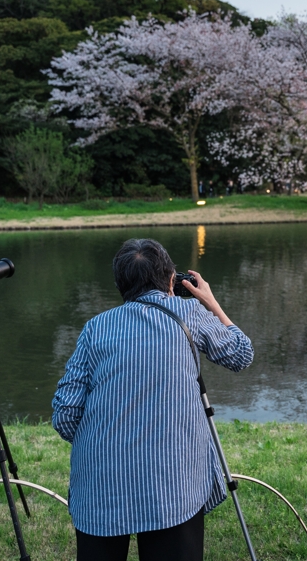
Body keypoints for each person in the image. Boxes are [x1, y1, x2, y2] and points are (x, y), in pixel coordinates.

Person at [52, 239, 254, 561]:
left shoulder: (95, 328)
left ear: (120, 284)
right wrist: (211, 302)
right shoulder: (190, 311)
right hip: (173, 487)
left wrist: (108, 441)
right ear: (171, 279)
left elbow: (64, 414)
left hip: (100, 488)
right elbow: (241, 354)